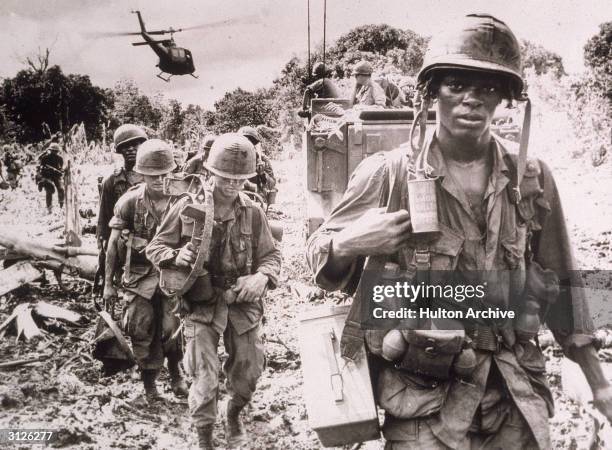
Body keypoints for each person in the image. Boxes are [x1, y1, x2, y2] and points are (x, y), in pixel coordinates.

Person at [306, 13, 612, 450]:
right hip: (425, 402)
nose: (470, 100)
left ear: (505, 98)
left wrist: (600, 386)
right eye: (455, 86)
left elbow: (566, 285)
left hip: (513, 391)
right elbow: (316, 257)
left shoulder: (532, 179)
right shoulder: (389, 173)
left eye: (487, 88)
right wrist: (351, 242)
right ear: (432, 94)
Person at [146, 134, 281, 449]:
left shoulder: (253, 211)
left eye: (240, 178)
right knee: (204, 381)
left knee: (249, 373)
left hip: (241, 302)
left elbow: (271, 256)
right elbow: (156, 246)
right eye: (226, 177)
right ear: (210, 172)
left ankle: (233, 414)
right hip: (201, 303)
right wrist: (174, 256)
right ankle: (205, 436)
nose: (233, 184)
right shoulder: (187, 207)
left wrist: (262, 277)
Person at [103, 139, 188, 402]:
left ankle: (176, 375)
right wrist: (109, 284)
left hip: (172, 275)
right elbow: (113, 245)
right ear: (141, 173)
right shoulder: (129, 202)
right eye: (152, 175)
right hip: (139, 277)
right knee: (141, 329)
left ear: (171, 172)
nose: (159, 179)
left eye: (164, 173)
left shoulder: (183, 200)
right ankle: (150, 385)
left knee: (173, 329)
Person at [97, 124, 147, 251]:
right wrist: (104, 243)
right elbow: (105, 216)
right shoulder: (111, 180)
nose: (130, 149)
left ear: (143, 146)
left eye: (135, 144)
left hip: (149, 240)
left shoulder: (153, 177)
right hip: (121, 239)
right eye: (125, 146)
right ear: (119, 150)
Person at [238, 126, 277, 201]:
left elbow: (272, 184)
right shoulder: (233, 157)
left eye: (250, 142)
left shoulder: (262, 159)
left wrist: (262, 174)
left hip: (256, 196)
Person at [36, 143, 65, 214]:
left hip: (56, 176)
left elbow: (61, 168)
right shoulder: (45, 158)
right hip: (47, 176)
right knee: (49, 191)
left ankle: (61, 205)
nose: (54, 153)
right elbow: (41, 169)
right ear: (50, 150)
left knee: (61, 189)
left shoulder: (60, 158)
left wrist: (60, 171)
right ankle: (49, 208)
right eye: (53, 151)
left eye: (56, 151)